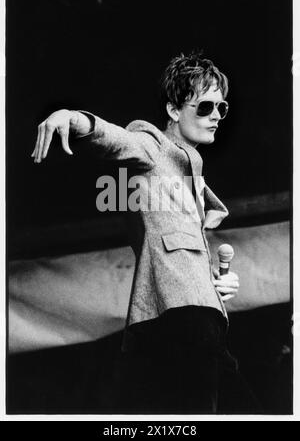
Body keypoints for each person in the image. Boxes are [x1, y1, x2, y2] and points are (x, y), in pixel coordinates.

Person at [31, 51, 259, 414]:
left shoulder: (188, 174)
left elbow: (173, 251)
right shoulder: (152, 146)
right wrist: (71, 118)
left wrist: (211, 283)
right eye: (204, 107)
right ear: (173, 111)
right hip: (183, 320)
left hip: (188, 319)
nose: (216, 116)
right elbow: (116, 140)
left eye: (222, 108)